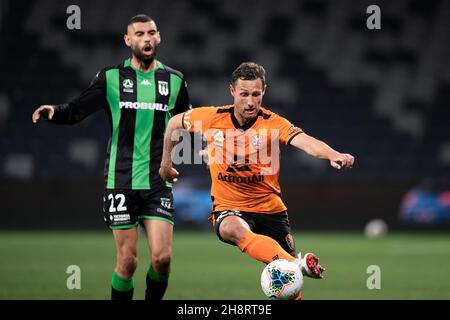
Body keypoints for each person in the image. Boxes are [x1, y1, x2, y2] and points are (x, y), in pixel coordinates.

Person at [159, 62, 354, 299]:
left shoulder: (273, 123)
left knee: (290, 288)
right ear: (232, 91)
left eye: (255, 94)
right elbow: (172, 123)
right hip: (230, 207)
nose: (250, 102)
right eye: (243, 94)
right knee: (232, 228)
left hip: (270, 210)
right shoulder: (210, 117)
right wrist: (166, 164)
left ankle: (295, 268)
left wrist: (333, 154)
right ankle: (297, 264)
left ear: (264, 92)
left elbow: (306, 142)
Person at [31, 14, 191, 300]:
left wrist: (176, 156)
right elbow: (77, 109)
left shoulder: (175, 80)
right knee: (128, 262)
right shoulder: (111, 78)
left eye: (151, 32)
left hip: (157, 182)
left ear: (158, 37)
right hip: (121, 180)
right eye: (139, 34)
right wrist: (55, 111)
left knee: (162, 259)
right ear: (128, 41)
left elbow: (183, 123)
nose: (146, 38)